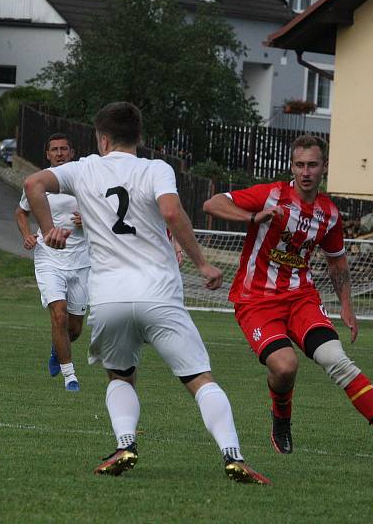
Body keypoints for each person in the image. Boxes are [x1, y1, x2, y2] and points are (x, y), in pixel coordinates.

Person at [24, 101, 270, 484]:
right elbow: (171, 212)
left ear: (102, 138)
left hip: (109, 297)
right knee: (200, 380)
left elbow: (32, 184)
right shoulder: (156, 168)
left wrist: (48, 230)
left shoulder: (84, 167)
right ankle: (232, 454)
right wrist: (202, 264)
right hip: (159, 293)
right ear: (139, 137)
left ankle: (126, 444)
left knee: (120, 377)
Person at [202, 134, 373, 462]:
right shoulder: (271, 194)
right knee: (285, 366)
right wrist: (252, 217)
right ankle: (281, 420)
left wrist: (346, 306)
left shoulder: (328, 213)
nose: (306, 171)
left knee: (336, 359)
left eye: (313, 165)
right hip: (256, 300)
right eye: (300, 165)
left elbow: (336, 260)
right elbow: (212, 203)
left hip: (301, 298)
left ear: (325, 168)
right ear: (292, 167)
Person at [15, 133, 88, 392]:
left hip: (81, 260)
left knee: (75, 328)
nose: (59, 153)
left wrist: (87, 221)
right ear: (47, 154)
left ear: (71, 152)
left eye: (63, 149)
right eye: (54, 149)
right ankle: (70, 377)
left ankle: (58, 347)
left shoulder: (85, 180)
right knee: (58, 314)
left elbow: (106, 216)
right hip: (49, 257)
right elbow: (21, 212)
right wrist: (26, 235)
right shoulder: (39, 182)